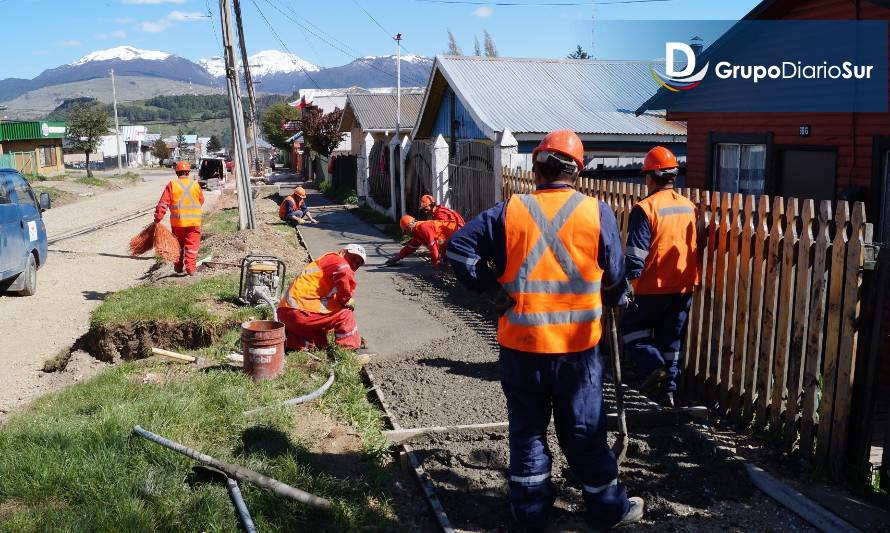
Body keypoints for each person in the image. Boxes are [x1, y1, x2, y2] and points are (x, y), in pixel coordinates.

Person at [446, 129, 643, 530]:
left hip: (522, 348)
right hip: (578, 354)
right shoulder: (596, 212)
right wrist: (615, 294)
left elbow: (457, 248)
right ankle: (608, 511)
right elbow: (617, 276)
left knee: (528, 434)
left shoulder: (509, 211)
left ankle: (530, 513)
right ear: (577, 172)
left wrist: (488, 286)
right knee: (585, 433)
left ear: (536, 168)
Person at [621, 146, 699, 407]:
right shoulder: (689, 207)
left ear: (650, 176)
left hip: (650, 287)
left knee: (632, 332)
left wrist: (626, 283)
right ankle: (669, 394)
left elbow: (635, 254)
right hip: (683, 287)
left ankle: (655, 368)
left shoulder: (645, 209)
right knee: (671, 342)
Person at [277, 244, 366, 351]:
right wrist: (346, 299)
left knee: (320, 344)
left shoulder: (326, 264)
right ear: (343, 252)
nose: (354, 263)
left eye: (359, 263)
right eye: (353, 258)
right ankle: (349, 350)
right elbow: (344, 271)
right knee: (345, 313)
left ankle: (289, 341)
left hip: (287, 314)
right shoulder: (337, 260)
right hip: (300, 312)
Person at [154, 161, 205, 275]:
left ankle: (178, 266)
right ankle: (191, 269)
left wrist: (158, 218)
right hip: (194, 223)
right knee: (191, 247)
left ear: (177, 172)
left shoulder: (172, 185)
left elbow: (163, 203)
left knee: (177, 245)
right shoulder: (195, 184)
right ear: (188, 172)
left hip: (178, 224)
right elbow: (201, 200)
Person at [384, 215, 458, 267]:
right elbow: (410, 247)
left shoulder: (423, 227)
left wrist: (436, 262)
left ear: (409, 226)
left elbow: (433, 245)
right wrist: (397, 258)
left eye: (405, 231)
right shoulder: (417, 232)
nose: (406, 234)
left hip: (457, 234)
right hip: (451, 240)